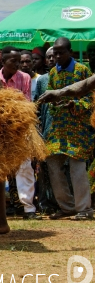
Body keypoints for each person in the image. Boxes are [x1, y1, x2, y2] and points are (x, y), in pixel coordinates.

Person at [37, 37, 95, 220]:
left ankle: (84, 209)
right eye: (55, 52)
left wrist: (73, 104)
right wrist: (54, 104)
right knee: (53, 164)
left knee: (77, 169)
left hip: (77, 128)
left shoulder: (82, 71)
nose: (57, 56)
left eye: (61, 52)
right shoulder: (53, 73)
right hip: (57, 129)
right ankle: (66, 206)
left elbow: (90, 100)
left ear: (70, 52)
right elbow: (51, 98)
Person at [0, 47, 40, 220]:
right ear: (3, 62)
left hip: (19, 127)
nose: (17, 64)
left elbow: (27, 103)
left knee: (24, 168)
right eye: (13, 61)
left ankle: (28, 208)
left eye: (19, 61)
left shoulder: (25, 78)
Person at [33, 47, 58, 215]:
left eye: (54, 56)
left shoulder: (70, 77)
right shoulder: (42, 80)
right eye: (48, 57)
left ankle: (61, 202)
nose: (51, 60)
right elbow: (37, 105)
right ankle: (45, 202)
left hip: (65, 131)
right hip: (46, 130)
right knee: (44, 170)